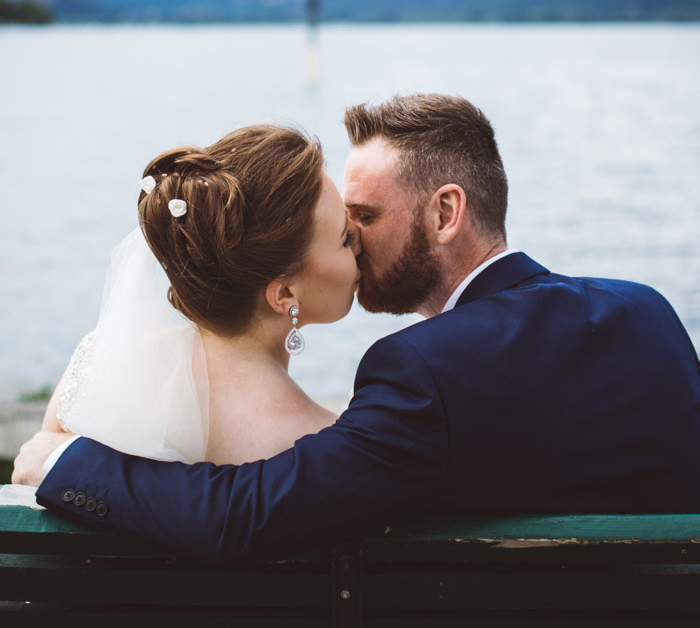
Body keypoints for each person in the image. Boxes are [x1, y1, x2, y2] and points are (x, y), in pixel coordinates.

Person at [15, 93, 700, 566]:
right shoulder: (650, 313)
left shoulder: (426, 374)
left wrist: (61, 461)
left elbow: (241, 516)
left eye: (363, 218)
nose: (353, 242)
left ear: (444, 213)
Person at [5, 123, 359, 505]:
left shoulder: (97, 366)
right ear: (284, 293)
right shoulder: (322, 443)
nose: (359, 239)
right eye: (344, 238)